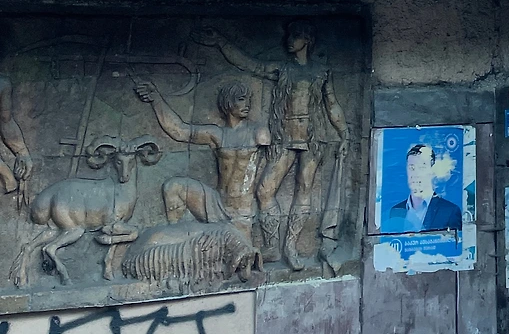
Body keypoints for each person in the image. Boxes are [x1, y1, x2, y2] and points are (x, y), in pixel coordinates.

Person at [200, 20, 349, 270]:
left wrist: (344, 134)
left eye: (295, 36)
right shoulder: (283, 69)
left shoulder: (321, 72)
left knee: (304, 188)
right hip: (285, 135)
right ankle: (272, 246)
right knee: (265, 190)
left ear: (307, 40)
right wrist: (221, 42)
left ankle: (290, 246)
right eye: (289, 35)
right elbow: (250, 64)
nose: (289, 40)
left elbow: (332, 105)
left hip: (313, 136)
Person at [134, 78, 271, 235]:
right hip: (216, 202)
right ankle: (179, 236)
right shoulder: (217, 135)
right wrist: (156, 99)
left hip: (242, 210)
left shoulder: (258, 134)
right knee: (174, 186)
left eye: (248, 99)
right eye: (241, 99)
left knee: (238, 247)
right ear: (227, 103)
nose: (247, 104)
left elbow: (268, 171)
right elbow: (179, 130)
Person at [385, 141, 463, 234]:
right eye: (411, 168)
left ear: (432, 171)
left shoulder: (449, 211)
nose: (415, 174)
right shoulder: (396, 212)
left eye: (422, 167)